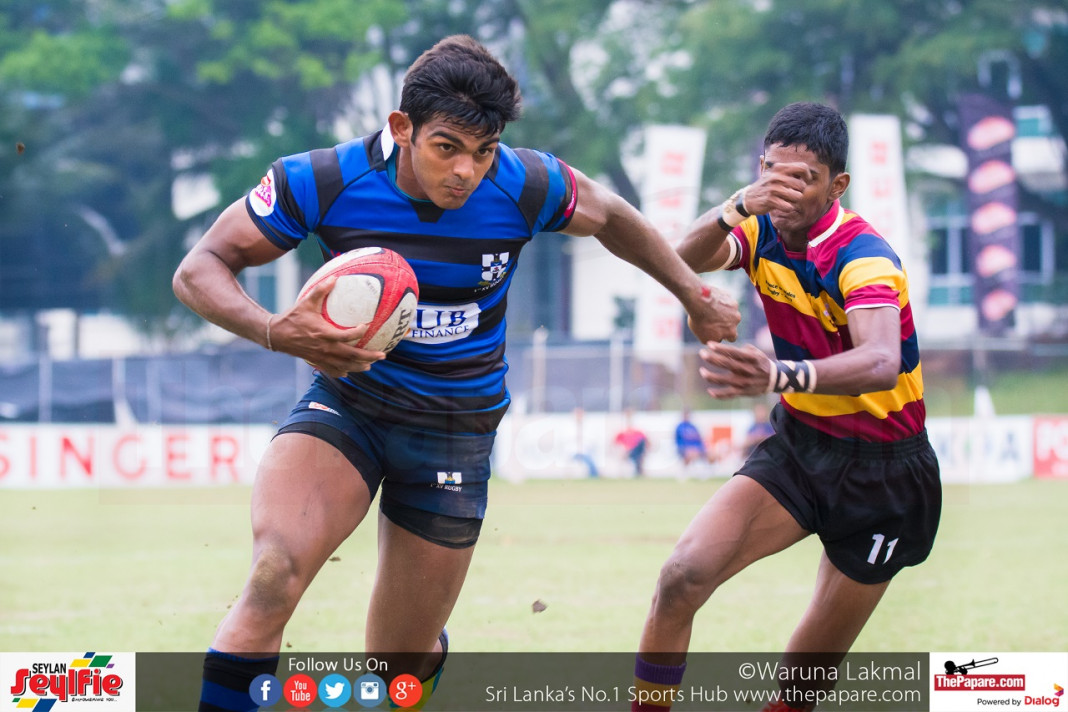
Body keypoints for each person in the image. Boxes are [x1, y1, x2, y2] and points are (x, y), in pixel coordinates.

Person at [173, 35, 740, 712]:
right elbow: (199, 268)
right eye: (448, 147)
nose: (467, 171)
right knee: (273, 575)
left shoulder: (525, 183)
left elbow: (615, 217)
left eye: (484, 151)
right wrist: (273, 329)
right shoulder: (321, 180)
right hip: (347, 409)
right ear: (401, 128)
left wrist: (694, 295)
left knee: (397, 668)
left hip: (454, 428)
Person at [631, 102, 941, 712]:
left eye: (803, 178)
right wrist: (736, 204)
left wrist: (779, 372)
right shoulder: (758, 229)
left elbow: (879, 360)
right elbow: (682, 258)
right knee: (680, 579)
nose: (786, 190)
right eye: (774, 172)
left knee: (800, 687)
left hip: (885, 473)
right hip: (800, 450)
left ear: (838, 185)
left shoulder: (863, 254)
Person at [614, 408, 649, 477]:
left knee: (639, 451)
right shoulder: (622, 432)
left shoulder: (638, 432)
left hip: (635, 452)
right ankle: (638, 472)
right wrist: (624, 451)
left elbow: (646, 442)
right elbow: (616, 443)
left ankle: (639, 472)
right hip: (627, 452)